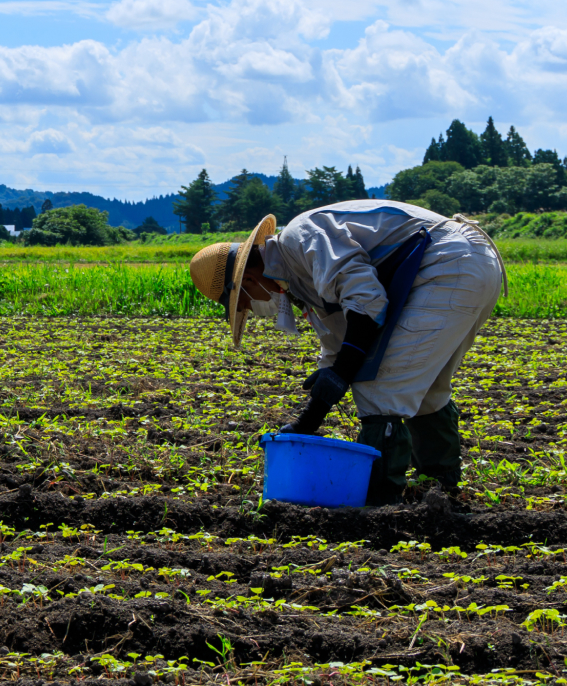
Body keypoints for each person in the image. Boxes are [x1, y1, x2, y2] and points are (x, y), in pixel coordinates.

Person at [187, 200, 506, 505]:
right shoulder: (297, 278)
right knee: (426, 390)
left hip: (449, 264)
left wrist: (341, 374)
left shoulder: (302, 238)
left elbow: (366, 300)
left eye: (242, 303)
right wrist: (308, 420)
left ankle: (381, 503)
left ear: (247, 279)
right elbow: (340, 342)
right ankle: (440, 490)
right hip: (467, 264)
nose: (250, 309)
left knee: (381, 388)